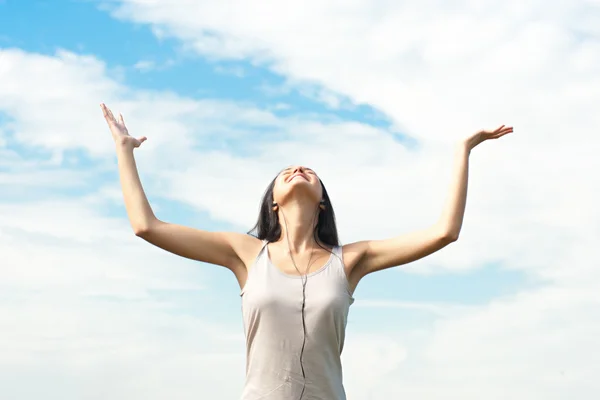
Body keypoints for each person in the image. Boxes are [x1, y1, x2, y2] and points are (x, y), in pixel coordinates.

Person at [100, 103, 513, 400]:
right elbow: (146, 226)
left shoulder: (351, 260)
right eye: (286, 172)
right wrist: (124, 151)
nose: (298, 170)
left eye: (309, 172)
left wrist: (463, 150)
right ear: (274, 202)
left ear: (321, 203)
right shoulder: (244, 253)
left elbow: (444, 233)